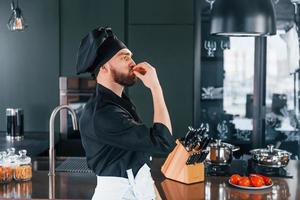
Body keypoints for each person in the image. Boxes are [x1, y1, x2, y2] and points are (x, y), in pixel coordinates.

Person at [76, 27, 176, 200]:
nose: (132, 62)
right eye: (124, 57)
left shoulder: (118, 101)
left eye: (130, 56)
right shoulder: (103, 113)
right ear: (104, 67)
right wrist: (155, 87)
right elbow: (163, 141)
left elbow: (139, 161)